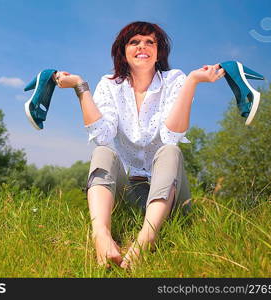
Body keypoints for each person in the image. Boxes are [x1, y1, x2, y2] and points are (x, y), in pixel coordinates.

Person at [53, 21, 225, 269]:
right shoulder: (110, 85)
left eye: (149, 42)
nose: (142, 46)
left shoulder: (174, 80)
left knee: (170, 151)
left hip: (169, 197)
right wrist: (81, 87)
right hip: (128, 192)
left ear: (159, 51)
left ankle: (146, 240)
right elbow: (102, 135)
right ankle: (100, 235)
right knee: (103, 151)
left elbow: (170, 136)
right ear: (123, 51)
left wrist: (192, 81)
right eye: (134, 42)